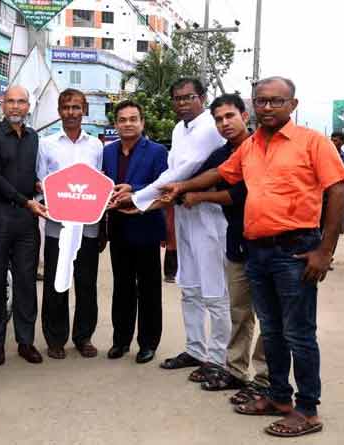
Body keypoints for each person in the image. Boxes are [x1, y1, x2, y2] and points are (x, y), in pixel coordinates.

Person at [162, 77, 344, 438]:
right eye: (261, 101)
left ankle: (307, 410)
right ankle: (278, 397)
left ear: (293, 105)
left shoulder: (313, 142)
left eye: (276, 101)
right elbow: (221, 173)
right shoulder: (252, 145)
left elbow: (337, 190)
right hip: (257, 250)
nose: (267, 108)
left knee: (298, 333)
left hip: (296, 249)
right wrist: (183, 186)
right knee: (273, 331)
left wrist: (325, 250)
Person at [111, 78, 230, 382]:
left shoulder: (208, 127)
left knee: (214, 291)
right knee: (189, 285)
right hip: (182, 211)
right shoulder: (179, 129)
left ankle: (217, 359)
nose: (182, 103)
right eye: (177, 98)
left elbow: (183, 171)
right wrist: (142, 198)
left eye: (188, 97)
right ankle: (195, 349)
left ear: (202, 98)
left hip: (209, 214)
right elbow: (171, 172)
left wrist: (138, 198)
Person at [161, 94, 269, 401]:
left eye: (229, 116)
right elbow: (202, 176)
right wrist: (176, 189)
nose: (225, 123)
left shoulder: (261, 147)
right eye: (219, 119)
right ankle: (233, 370)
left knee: (268, 317)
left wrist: (197, 196)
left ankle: (265, 383)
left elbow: (239, 193)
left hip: (268, 242)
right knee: (238, 311)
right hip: (237, 238)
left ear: (245, 115)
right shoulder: (225, 153)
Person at [0, 85, 48, 366]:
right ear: (2, 105)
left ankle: (25, 342)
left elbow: (30, 175)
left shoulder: (33, 137)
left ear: (28, 106)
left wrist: (41, 187)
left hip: (26, 219)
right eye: (11, 102)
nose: (16, 107)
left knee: (26, 281)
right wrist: (25, 200)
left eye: (21, 102)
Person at [37, 89, 105, 360]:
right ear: (59, 110)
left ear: (84, 110)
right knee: (57, 283)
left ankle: (83, 337)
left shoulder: (96, 146)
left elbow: (100, 182)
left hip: (88, 227)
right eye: (66, 107)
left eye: (77, 107)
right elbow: (40, 181)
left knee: (86, 284)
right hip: (57, 226)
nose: (71, 112)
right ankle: (55, 339)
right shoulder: (47, 144)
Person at [103, 100, 168, 364]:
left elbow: (163, 184)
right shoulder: (107, 152)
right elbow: (103, 182)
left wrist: (133, 188)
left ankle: (148, 343)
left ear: (142, 122)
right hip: (117, 226)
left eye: (133, 119)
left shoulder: (156, 151)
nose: (128, 124)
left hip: (146, 226)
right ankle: (121, 340)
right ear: (115, 124)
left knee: (149, 288)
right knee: (122, 287)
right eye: (122, 119)